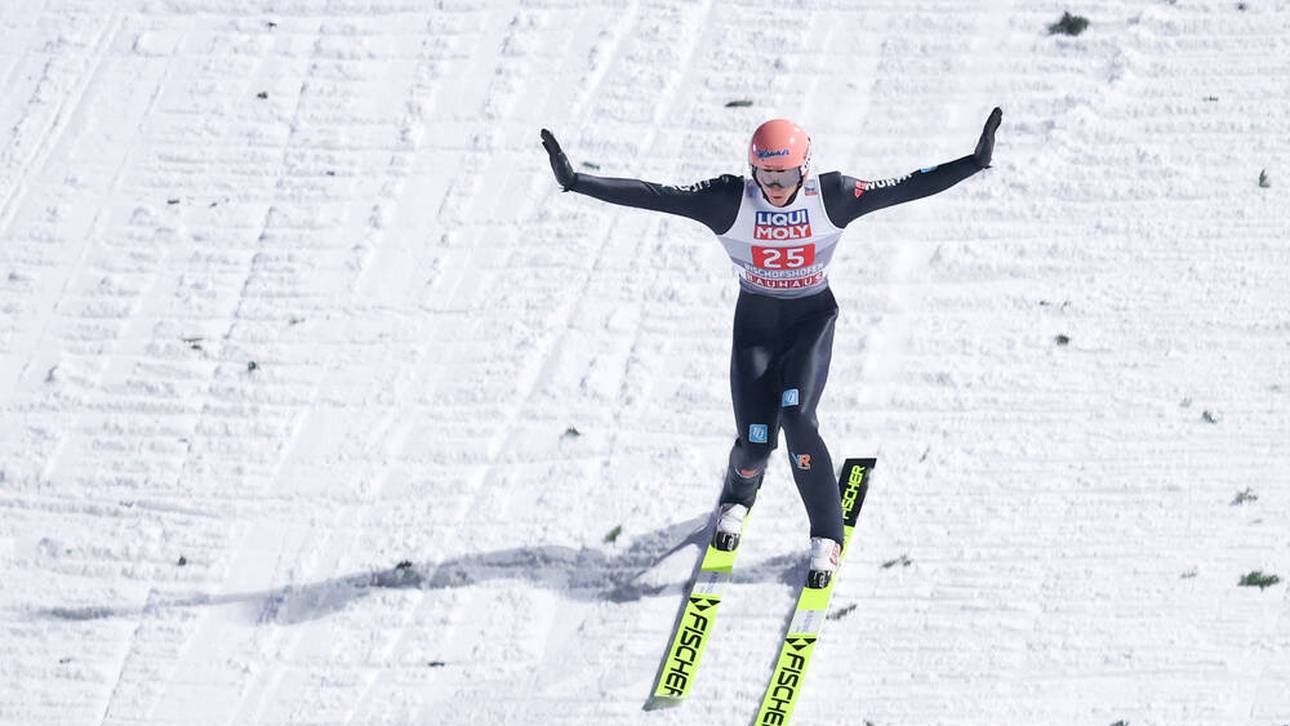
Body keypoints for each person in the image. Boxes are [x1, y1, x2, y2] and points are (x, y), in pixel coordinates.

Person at [540, 108, 1002, 588]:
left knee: (799, 419)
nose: (775, 187)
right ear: (752, 169)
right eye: (765, 175)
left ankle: (827, 535)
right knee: (756, 442)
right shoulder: (727, 201)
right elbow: (655, 195)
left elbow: (904, 186)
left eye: (784, 176)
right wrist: (576, 181)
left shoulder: (835, 196)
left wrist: (973, 162)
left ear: (805, 169)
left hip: (810, 322)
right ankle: (737, 497)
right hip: (756, 328)